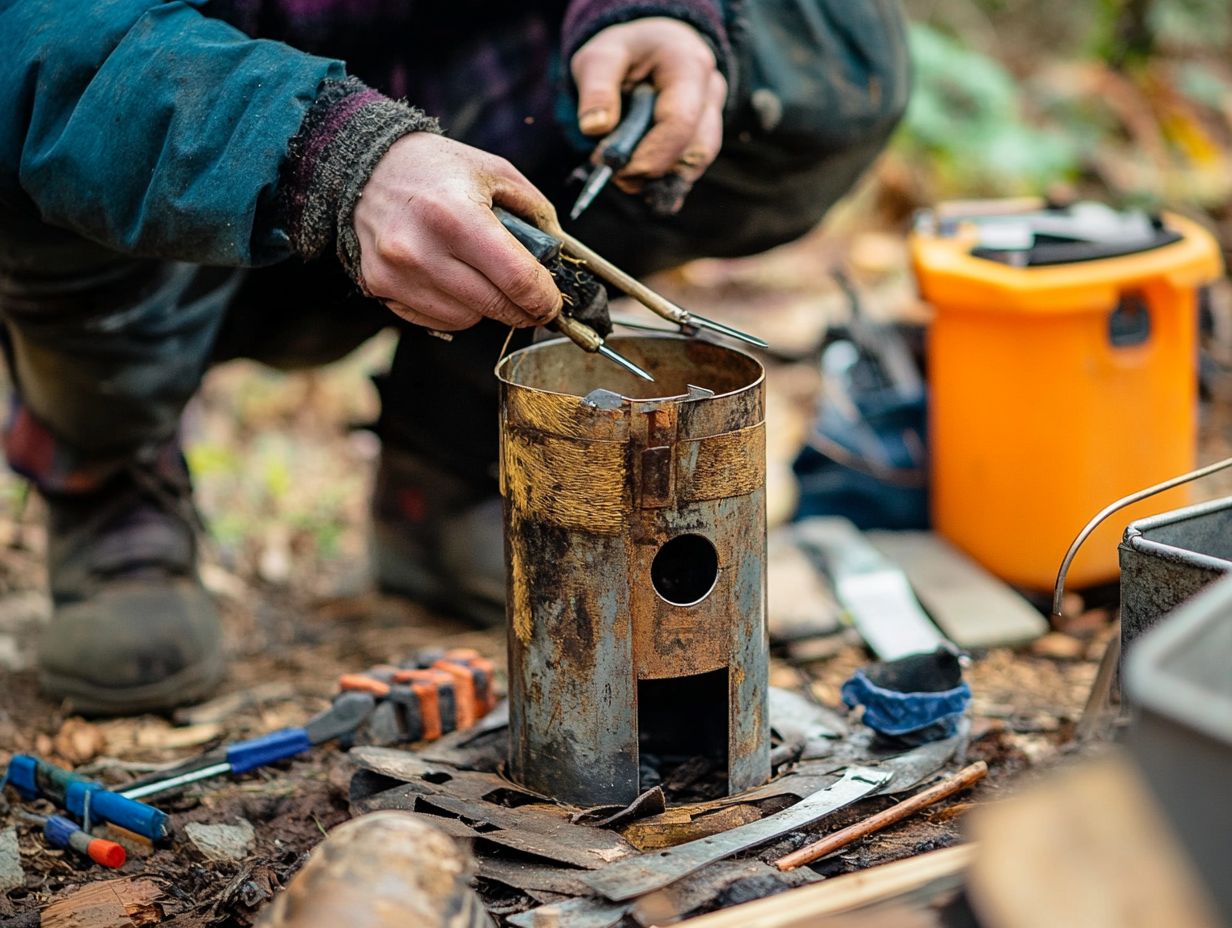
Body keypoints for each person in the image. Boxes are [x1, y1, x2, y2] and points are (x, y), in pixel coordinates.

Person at [0, 0, 909, 714]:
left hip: (482, 98)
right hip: (187, 167)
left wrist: (656, 10)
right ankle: (109, 469)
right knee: (43, 116)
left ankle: (444, 462)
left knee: (819, 43)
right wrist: (331, 155)